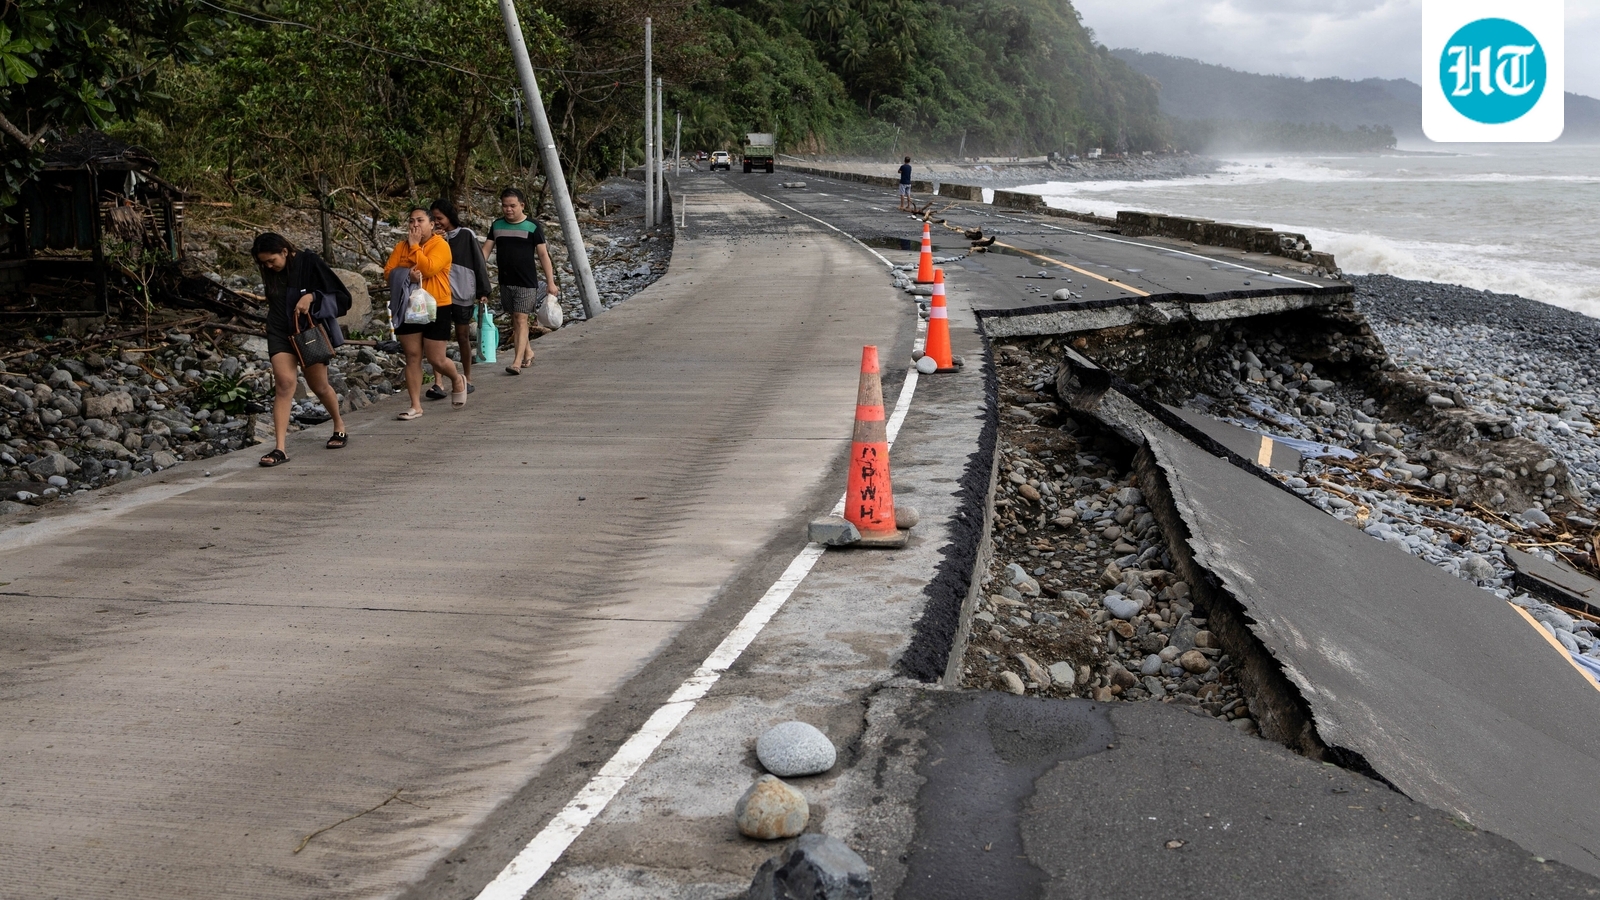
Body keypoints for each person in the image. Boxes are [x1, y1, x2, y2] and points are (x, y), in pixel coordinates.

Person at [251, 233, 352, 467]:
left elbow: (342, 298)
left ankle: (339, 425)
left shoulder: (309, 262)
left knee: (319, 386)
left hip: (306, 332)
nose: (268, 266)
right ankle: (280, 449)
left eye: (271, 260)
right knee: (285, 384)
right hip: (278, 331)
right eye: (263, 263)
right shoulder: (269, 269)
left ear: (285, 251)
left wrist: (312, 296)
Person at [384, 206, 469, 418]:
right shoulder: (400, 247)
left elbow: (429, 268)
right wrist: (406, 276)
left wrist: (414, 248)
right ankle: (415, 405)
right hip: (407, 306)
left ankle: (457, 379)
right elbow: (389, 272)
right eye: (412, 221)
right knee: (412, 356)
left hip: (436, 306)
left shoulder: (440, 245)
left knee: (436, 359)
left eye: (420, 220)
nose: (415, 225)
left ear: (432, 224)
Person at [482, 187, 558, 375]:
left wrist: (551, 282)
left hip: (526, 281)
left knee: (521, 319)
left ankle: (516, 362)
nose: (508, 209)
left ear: (522, 205)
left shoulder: (533, 226)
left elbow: (543, 255)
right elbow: (485, 251)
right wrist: (477, 274)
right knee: (515, 320)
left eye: (512, 206)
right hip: (505, 280)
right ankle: (529, 352)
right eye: (505, 206)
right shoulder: (497, 226)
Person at [428, 198, 492, 399]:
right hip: (439, 294)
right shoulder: (431, 238)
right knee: (437, 339)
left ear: (450, 217)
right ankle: (438, 383)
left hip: (462, 291)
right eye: (434, 218)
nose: (437, 222)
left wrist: (483, 291)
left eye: (440, 218)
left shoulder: (465, 235)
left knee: (463, 336)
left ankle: (468, 377)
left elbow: (479, 263)